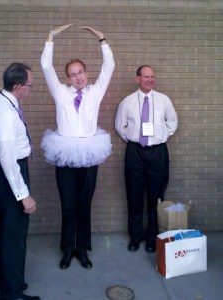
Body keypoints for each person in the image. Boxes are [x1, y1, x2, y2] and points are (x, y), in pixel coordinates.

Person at [41, 24, 115, 269]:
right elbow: (45, 66)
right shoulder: (60, 93)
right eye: (73, 74)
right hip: (65, 154)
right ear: (67, 78)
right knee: (67, 203)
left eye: (81, 72)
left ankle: (82, 249)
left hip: (89, 153)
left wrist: (102, 38)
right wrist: (51, 37)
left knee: (84, 204)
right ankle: (67, 249)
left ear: (86, 72)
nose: (78, 77)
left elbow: (110, 67)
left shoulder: (95, 92)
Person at [0, 63, 40, 300]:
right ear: (18, 87)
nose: (31, 90)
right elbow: (9, 159)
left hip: (2, 172)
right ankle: (12, 294)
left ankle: (1, 278)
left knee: (5, 229)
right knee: (14, 236)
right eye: (30, 86)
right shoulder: (6, 113)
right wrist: (23, 194)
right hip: (11, 174)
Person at [115, 65, 178, 253]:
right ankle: (135, 236)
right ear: (138, 79)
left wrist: (158, 138)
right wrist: (136, 139)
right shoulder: (127, 102)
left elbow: (172, 123)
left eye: (152, 77)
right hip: (135, 152)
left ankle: (152, 237)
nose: (150, 80)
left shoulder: (163, 100)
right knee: (134, 196)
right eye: (146, 77)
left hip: (158, 153)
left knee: (155, 196)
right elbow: (120, 126)